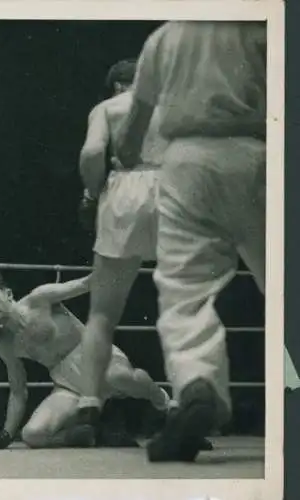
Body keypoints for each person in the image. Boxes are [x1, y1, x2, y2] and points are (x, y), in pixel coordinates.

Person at [114, 21, 266, 462]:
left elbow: (131, 136)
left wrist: (125, 158)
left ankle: (197, 383)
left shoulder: (165, 37)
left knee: (184, 290)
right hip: (262, 150)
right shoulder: (258, 23)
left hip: (187, 160)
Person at [69, 59, 174, 446]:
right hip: (174, 190)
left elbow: (92, 153)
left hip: (125, 190)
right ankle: (186, 406)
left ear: (116, 86)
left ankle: (88, 406)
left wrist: (91, 193)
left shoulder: (108, 108)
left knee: (101, 313)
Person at [0, 269, 172, 450]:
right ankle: (91, 435)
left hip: (98, 360)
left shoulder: (41, 299)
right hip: (68, 385)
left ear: (8, 294)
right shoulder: (5, 343)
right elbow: (18, 391)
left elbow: (86, 283)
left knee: (119, 376)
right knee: (33, 435)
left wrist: (118, 266)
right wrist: (5, 435)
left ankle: (164, 404)